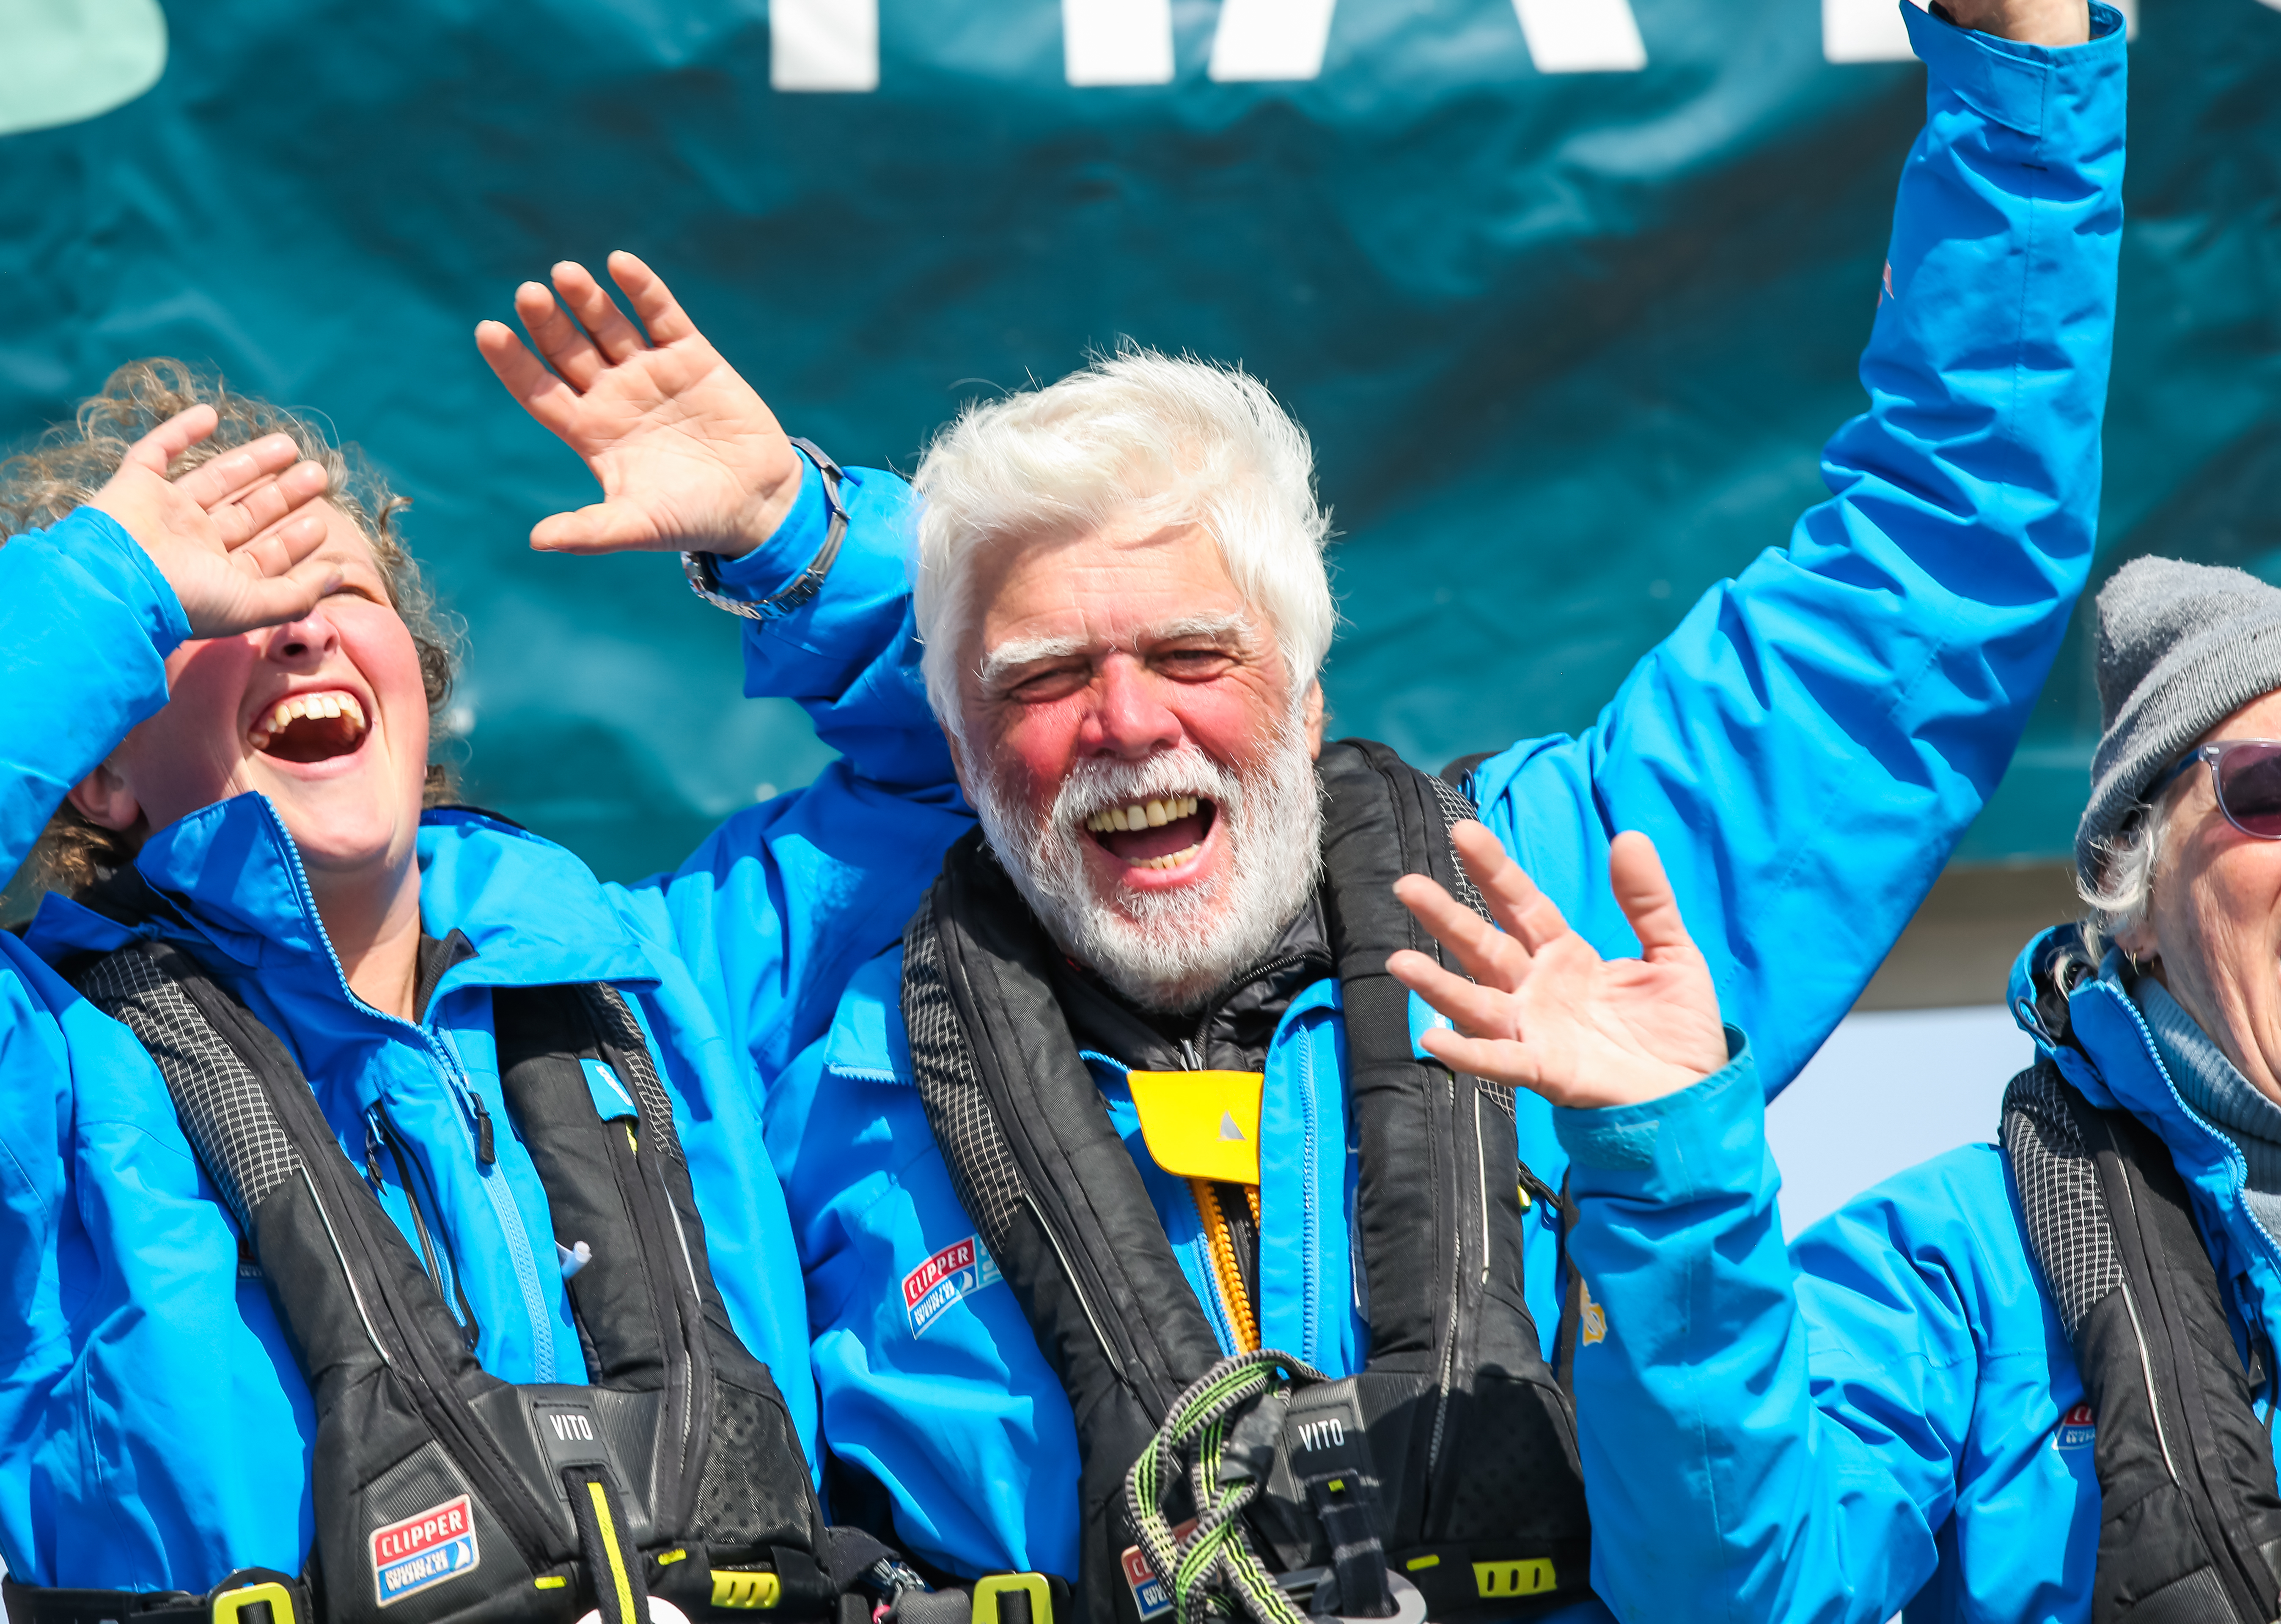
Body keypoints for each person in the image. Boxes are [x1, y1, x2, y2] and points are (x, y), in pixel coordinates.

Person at [757, 2, 2129, 1620]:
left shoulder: (1567, 893)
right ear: (960, 727)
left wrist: (2025, 81)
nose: (1129, 724)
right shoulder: (783, 1010)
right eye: (1047, 679)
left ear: (1311, 684)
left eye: (1197, 654)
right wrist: (800, 547)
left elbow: (1936, 566)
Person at [0, 149, 973, 1618]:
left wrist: (794, 534)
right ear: (96, 768)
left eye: (339, 594)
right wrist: (97, 588)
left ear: (420, 688)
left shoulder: (673, 976)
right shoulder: (13, 1112)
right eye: (220, 611)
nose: (302, 633)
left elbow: (1001, 768)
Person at [1388, 553, 2281, 1624]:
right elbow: (1733, 1600)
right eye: (2266, 790)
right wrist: (1673, 1176)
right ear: (2130, 888)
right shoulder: (1959, 1263)